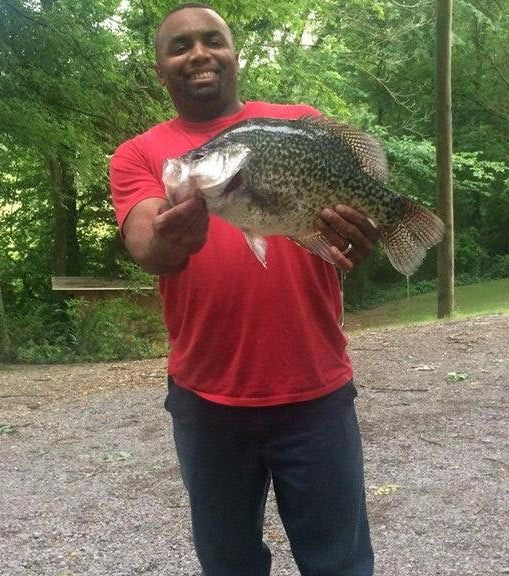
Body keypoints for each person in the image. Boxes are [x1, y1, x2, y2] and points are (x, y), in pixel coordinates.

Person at [109, 3, 380, 575]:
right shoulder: (139, 154)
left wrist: (359, 238)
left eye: (213, 40)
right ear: (160, 69)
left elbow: (341, 236)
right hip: (207, 404)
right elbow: (147, 245)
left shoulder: (299, 122)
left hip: (316, 392)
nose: (199, 54)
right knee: (229, 564)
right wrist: (172, 239)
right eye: (180, 46)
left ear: (235, 55)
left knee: (340, 564)